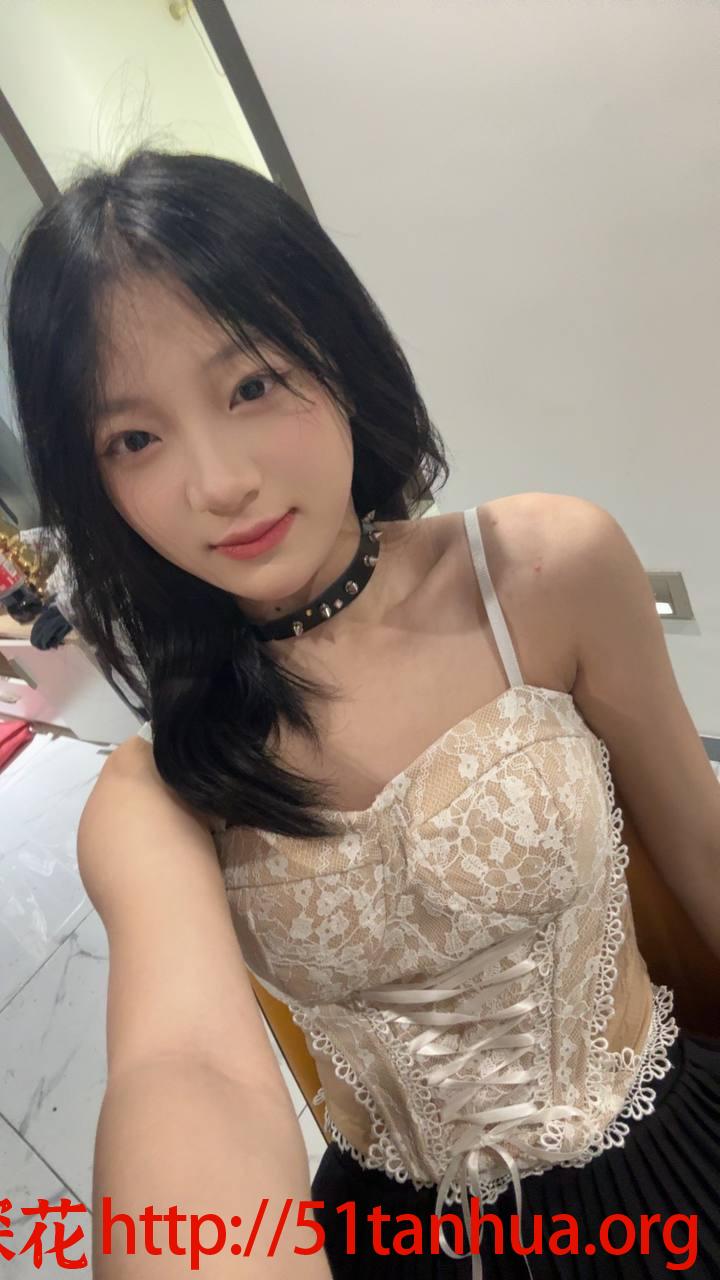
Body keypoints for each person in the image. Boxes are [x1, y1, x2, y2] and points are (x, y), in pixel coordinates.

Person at [5, 148, 720, 1279]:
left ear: (335, 352)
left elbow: (705, 853)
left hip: (667, 1172)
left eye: (251, 384)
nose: (217, 483)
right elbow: (184, 1067)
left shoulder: (542, 572)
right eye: (133, 440)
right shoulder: (161, 784)